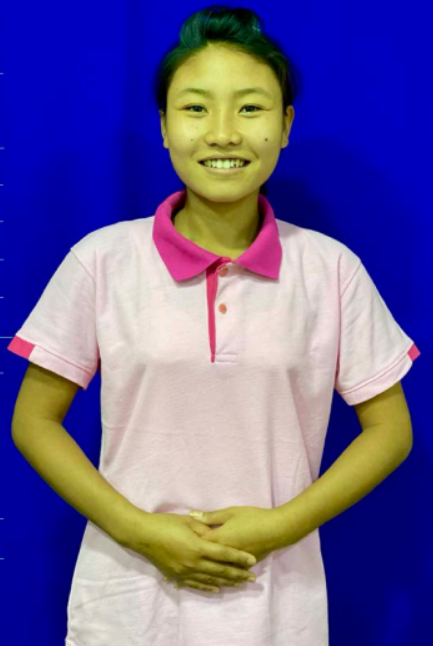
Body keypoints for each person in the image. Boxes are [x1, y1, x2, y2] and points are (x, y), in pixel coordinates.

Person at [8, 5, 421, 646]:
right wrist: (141, 531)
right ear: (164, 126)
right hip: (127, 604)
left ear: (285, 126)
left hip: (277, 605)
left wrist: (282, 525)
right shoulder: (101, 260)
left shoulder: (331, 269)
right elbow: (34, 421)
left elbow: (390, 432)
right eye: (195, 108)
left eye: (251, 108)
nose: (223, 133)